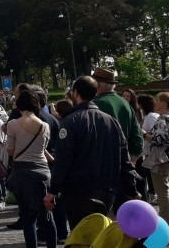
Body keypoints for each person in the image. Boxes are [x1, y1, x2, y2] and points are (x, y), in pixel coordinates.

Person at [44, 76, 137, 229]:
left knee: (81, 235)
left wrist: (52, 191)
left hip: (78, 190)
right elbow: (124, 159)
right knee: (101, 233)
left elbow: (63, 160)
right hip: (107, 189)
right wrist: (131, 189)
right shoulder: (111, 121)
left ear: (75, 93)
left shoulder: (70, 122)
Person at [6, 90, 57, 248]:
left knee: (28, 218)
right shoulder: (45, 126)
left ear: (19, 105)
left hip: (21, 174)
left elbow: (10, 151)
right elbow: (42, 149)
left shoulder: (13, 124)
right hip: (42, 173)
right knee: (47, 217)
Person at [144, 91, 169, 229]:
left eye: (157, 100)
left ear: (164, 103)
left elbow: (158, 140)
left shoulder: (162, 119)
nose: (155, 103)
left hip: (161, 159)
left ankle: (164, 224)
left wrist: (144, 134)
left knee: (162, 192)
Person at [91, 68, 143, 160]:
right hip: (125, 160)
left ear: (96, 83)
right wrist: (132, 160)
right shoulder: (125, 103)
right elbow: (137, 136)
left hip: (104, 161)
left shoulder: (96, 104)